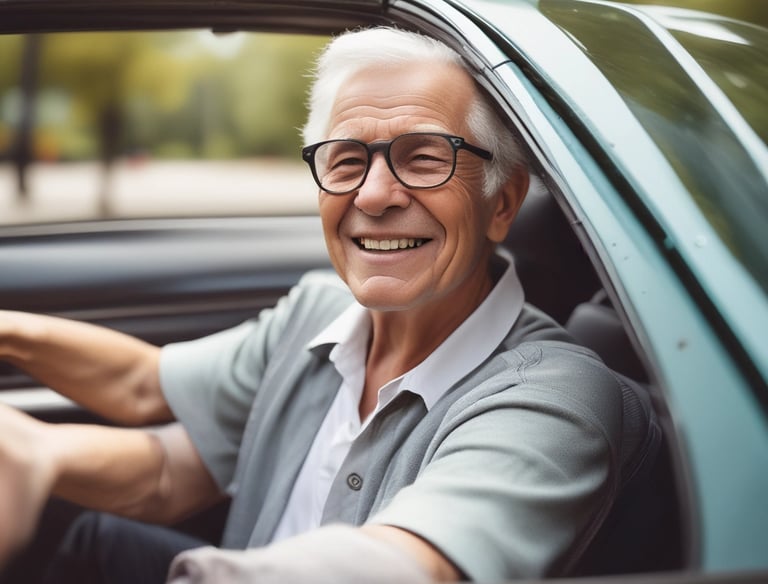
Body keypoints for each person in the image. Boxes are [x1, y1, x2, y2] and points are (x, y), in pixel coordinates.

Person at [0, 26, 658, 583]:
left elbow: (408, 563)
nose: (374, 195)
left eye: (424, 158)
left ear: (503, 202)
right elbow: (156, 414)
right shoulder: (314, 314)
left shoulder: (561, 396)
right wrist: (40, 449)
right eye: (346, 161)